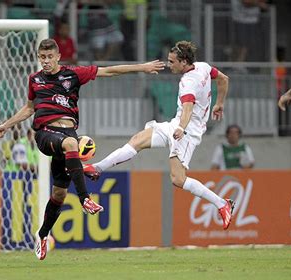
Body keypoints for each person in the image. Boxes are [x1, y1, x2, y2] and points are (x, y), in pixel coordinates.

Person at [0, 38, 165, 260]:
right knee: (72, 144)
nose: (45, 61)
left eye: (49, 57)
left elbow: (109, 71)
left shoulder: (72, 74)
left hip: (68, 137)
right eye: (42, 57)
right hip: (46, 134)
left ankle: (42, 235)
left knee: (59, 194)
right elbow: (29, 108)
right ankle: (85, 199)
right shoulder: (35, 80)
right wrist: (6, 126)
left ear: (57, 57)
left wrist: (143, 67)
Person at [83, 41, 235, 231]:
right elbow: (224, 79)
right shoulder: (203, 67)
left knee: (178, 179)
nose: (169, 65)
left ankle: (222, 203)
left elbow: (188, 107)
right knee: (138, 140)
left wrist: (182, 127)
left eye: (172, 62)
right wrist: (219, 103)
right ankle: (97, 168)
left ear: (184, 62)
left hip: (187, 132)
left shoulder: (188, 81)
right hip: (176, 124)